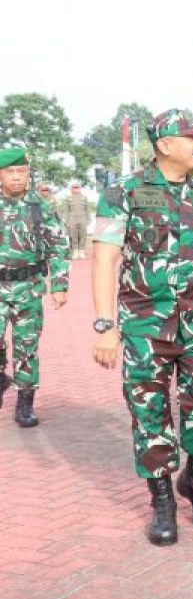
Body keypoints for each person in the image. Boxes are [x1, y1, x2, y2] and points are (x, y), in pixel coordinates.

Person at [92, 109, 193, 546]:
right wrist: (104, 324)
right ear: (164, 145)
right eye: (192, 137)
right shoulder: (124, 193)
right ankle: (162, 500)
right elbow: (104, 258)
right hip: (143, 325)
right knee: (149, 414)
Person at [0, 149, 69, 427]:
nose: (16, 177)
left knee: (26, 347)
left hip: (29, 287)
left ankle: (25, 405)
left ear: (28, 175)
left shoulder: (41, 207)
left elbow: (58, 246)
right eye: (10, 172)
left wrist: (59, 285)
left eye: (21, 172)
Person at [63, 181, 90, 259]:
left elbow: (87, 209)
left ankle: (81, 252)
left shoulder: (84, 197)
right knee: (73, 237)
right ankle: (75, 252)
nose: (75, 189)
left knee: (83, 236)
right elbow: (66, 210)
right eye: (74, 188)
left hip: (82, 219)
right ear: (71, 189)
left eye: (77, 187)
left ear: (80, 189)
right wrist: (67, 221)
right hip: (72, 220)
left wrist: (88, 220)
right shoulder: (68, 198)